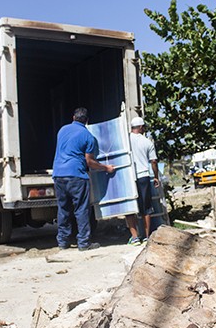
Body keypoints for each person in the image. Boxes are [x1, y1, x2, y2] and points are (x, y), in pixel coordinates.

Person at [52, 107, 115, 251]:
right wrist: (106, 168)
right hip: (77, 176)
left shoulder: (62, 130)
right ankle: (83, 242)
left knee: (63, 209)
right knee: (81, 209)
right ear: (87, 121)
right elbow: (89, 162)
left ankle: (62, 242)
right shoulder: (88, 136)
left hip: (59, 174)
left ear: (73, 117)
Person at [126, 116, 160, 246]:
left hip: (129, 176)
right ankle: (146, 237)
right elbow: (153, 161)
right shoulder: (147, 142)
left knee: (129, 207)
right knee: (146, 208)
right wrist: (155, 176)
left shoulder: (125, 140)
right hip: (143, 176)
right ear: (141, 127)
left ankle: (134, 237)